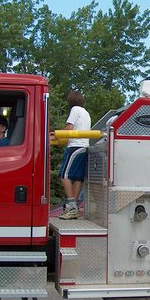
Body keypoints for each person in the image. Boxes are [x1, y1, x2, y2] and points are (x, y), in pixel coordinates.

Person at [56, 90, 92, 220]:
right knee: (77, 178)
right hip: (84, 146)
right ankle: (74, 208)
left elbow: (69, 129)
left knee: (64, 175)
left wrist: (54, 134)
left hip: (75, 146)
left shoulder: (75, 110)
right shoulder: (86, 113)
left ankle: (71, 206)